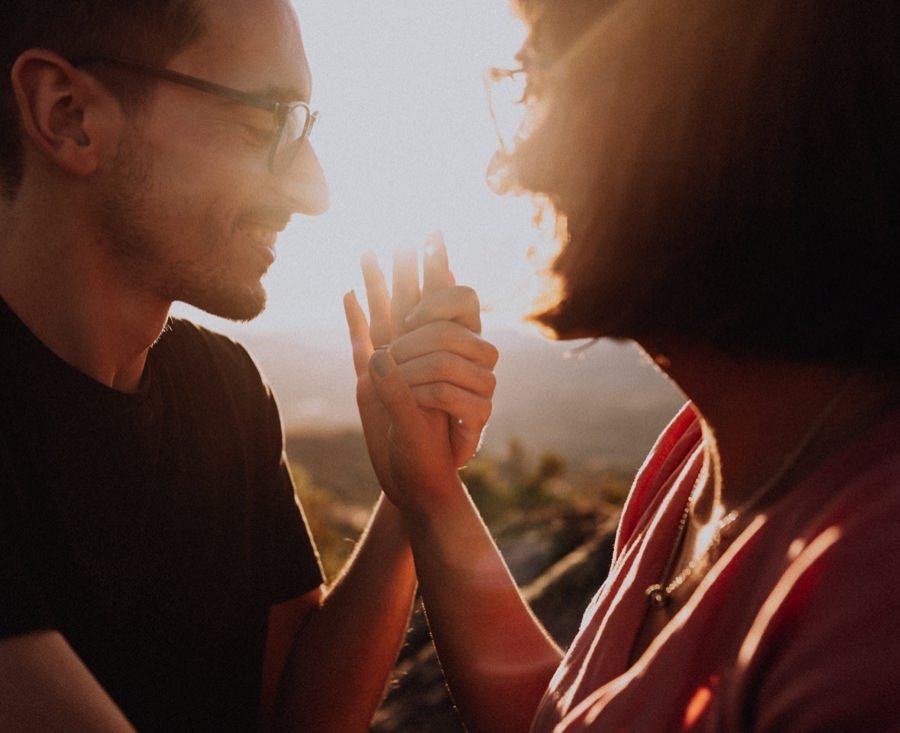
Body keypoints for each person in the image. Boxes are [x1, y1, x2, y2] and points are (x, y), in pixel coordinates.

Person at [352, 0, 900, 730]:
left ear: (703, 106)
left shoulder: (874, 587)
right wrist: (430, 492)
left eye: (539, 81)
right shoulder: (700, 453)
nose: (515, 165)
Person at [0, 0, 498, 731]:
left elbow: (297, 715)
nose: (313, 191)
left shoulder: (222, 393)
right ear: (68, 113)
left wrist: (411, 495)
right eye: (268, 119)